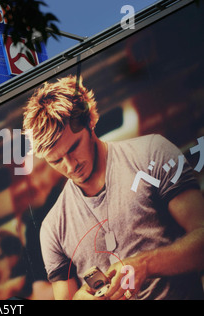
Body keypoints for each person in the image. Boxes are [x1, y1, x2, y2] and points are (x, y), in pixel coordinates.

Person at [22, 75, 204, 300]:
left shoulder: (152, 154)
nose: (70, 166)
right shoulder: (52, 228)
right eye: (56, 161)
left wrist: (146, 264)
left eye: (74, 147)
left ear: (90, 120)